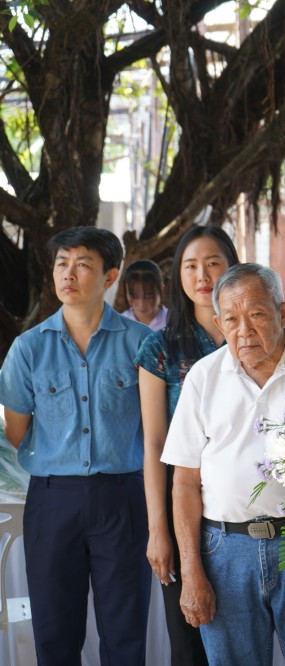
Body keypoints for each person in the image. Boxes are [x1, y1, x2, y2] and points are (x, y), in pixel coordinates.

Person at [161, 263, 285, 665]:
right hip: (225, 551)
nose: (244, 331)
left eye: (257, 315)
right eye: (231, 320)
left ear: (283, 313)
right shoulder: (203, 377)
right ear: (219, 323)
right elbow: (184, 483)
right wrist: (191, 571)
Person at [0, 226, 151, 664]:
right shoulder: (28, 349)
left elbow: (156, 428)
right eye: (61, 263)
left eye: (83, 264)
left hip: (123, 499)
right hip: (53, 501)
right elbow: (16, 430)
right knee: (55, 634)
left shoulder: (141, 343)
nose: (68, 273)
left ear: (110, 277)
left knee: (125, 634)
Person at [135, 225, 240, 665]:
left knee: (241, 640)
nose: (202, 275)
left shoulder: (253, 337)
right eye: (191, 265)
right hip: (182, 508)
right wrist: (158, 530)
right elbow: (154, 442)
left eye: (213, 263)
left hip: (243, 508)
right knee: (189, 641)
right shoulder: (160, 348)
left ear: (233, 267)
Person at [120, 258, 169, 330]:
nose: (141, 304)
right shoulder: (120, 324)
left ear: (161, 289)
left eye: (149, 296)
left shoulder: (172, 322)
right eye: (134, 296)